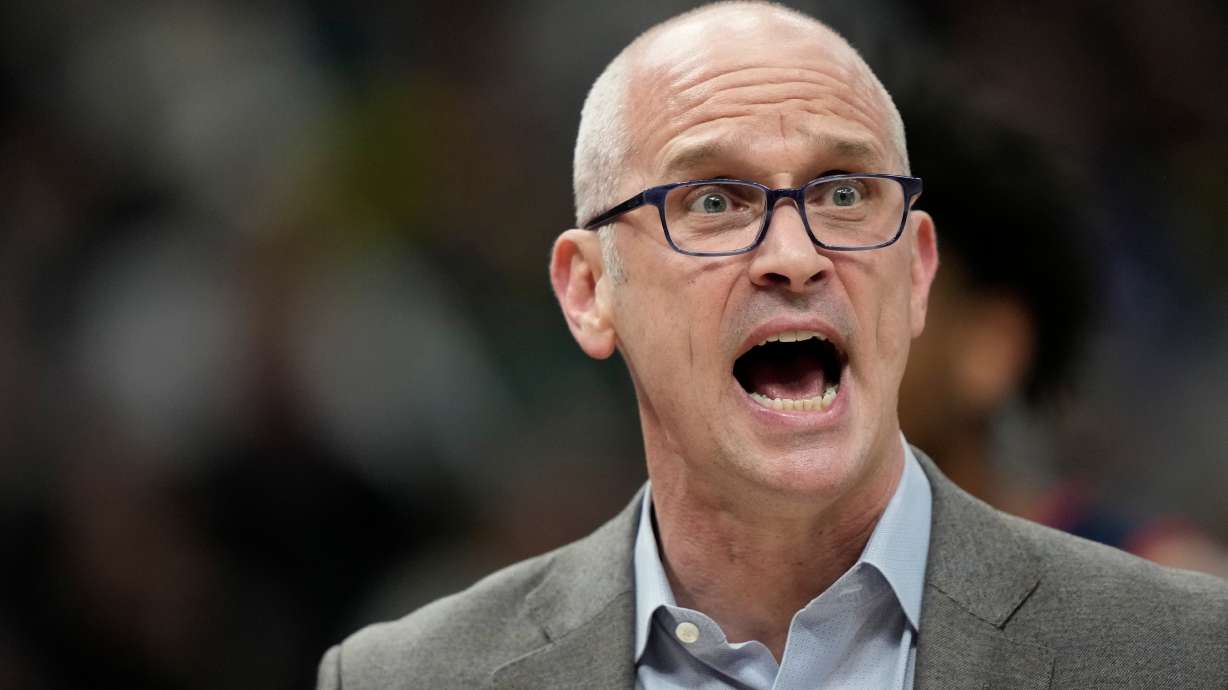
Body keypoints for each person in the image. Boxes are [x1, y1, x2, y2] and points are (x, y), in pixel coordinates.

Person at [318, 3, 1228, 688]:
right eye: (714, 203)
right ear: (590, 292)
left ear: (915, 272)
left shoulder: (1183, 651)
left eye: (843, 197)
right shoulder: (402, 678)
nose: (794, 258)